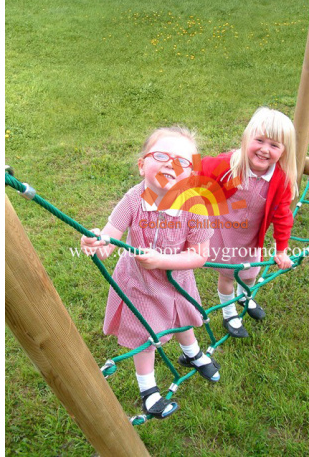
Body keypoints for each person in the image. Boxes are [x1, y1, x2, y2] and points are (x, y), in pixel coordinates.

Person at [81, 126, 220, 420]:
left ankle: (192, 354)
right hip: (138, 284)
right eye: (161, 155)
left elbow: (200, 255)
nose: (171, 164)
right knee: (145, 337)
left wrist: (163, 261)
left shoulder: (196, 208)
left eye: (182, 162)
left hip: (176, 282)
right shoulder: (132, 200)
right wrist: (95, 241)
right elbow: (108, 241)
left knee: (182, 319)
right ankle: (149, 391)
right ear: (143, 164)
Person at [201, 106, 298, 338]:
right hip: (224, 233)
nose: (265, 150)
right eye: (260, 140)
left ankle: (246, 297)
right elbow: (198, 169)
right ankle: (229, 313)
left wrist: (282, 250)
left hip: (251, 238)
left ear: (284, 151)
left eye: (274, 145)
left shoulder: (280, 179)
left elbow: (283, 216)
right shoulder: (229, 164)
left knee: (251, 273)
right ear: (247, 138)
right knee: (228, 275)